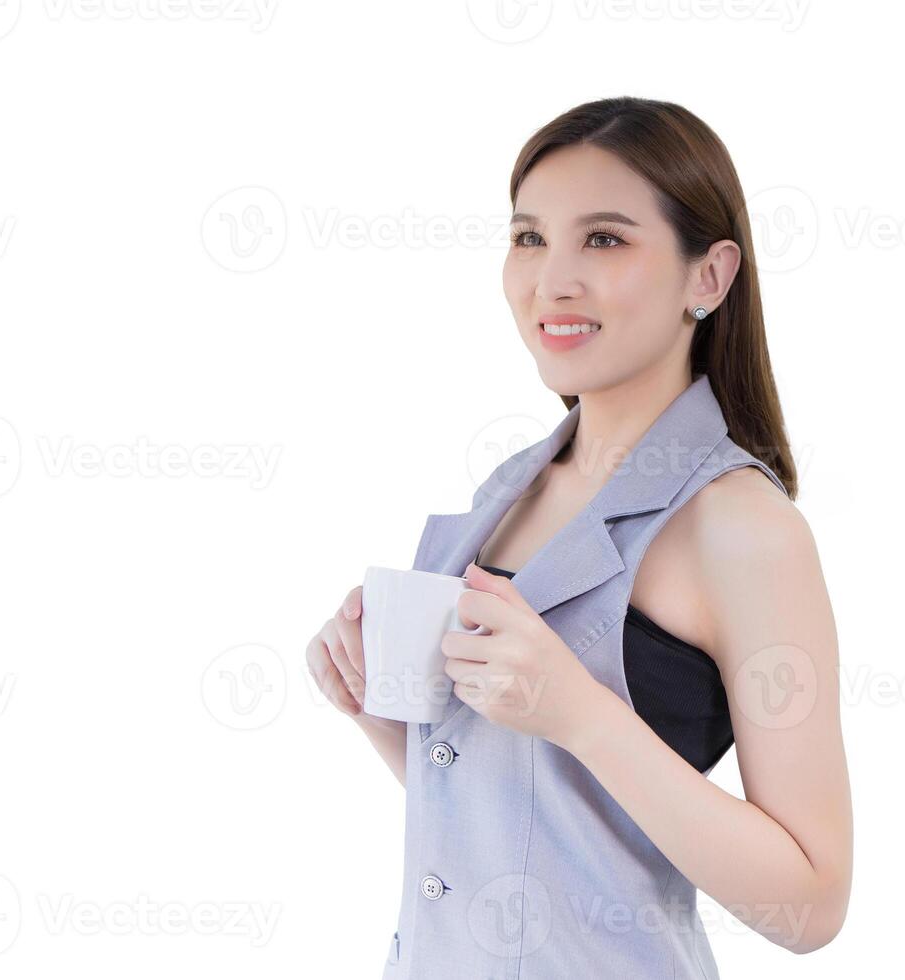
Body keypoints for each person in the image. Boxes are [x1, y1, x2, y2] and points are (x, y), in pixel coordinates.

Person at [306, 97, 852, 977]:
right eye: (528, 238)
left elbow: (814, 902)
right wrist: (376, 709)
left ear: (708, 278)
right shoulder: (508, 490)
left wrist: (582, 716)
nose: (551, 280)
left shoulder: (744, 529)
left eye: (604, 239)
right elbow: (533, 825)